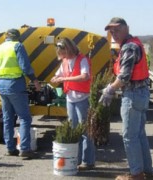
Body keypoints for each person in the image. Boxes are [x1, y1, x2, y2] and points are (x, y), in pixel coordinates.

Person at [99, 17, 153, 180]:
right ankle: (147, 173)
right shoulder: (133, 44)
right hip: (141, 93)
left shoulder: (129, 47)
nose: (113, 33)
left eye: (117, 29)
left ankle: (137, 174)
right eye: (111, 31)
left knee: (129, 136)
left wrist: (109, 89)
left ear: (126, 28)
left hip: (133, 95)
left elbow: (124, 77)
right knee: (139, 135)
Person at [0, 28, 41, 159]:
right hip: (16, 85)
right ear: (17, 37)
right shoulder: (18, 46)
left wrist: (1, 76)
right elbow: (25, 67)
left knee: (7, 118)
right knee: (24, 118)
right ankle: (24, 149)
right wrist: (35, 80)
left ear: (6, 37)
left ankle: (10, 148)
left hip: (2, 85)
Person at [50, 37, 95, 170]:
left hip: (82, 98)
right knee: (75, 130)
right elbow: (58, 74)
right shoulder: (64, 61)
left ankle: (88, 161)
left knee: (85, 131)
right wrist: (55, 77)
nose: (62, 56)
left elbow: (84, 76)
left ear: (68, 49)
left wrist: (64, 78)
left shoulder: (82, 59)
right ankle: (77, 159)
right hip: (70, 98)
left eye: (63, 53)